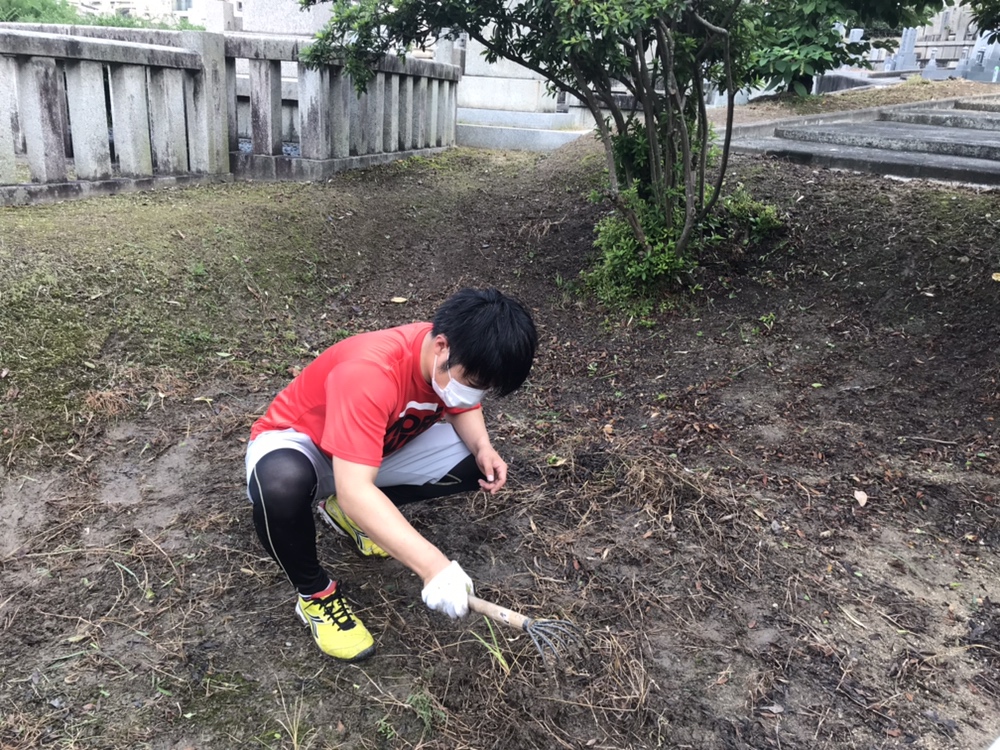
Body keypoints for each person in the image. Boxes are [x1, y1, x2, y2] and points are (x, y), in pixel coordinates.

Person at [244, 287, 538, 662]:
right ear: (442, 347)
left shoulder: (445, 354)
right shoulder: (369, 373)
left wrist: (483, 448)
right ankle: (315, 595)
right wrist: (434, 567)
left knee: (471, 463)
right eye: (474, 384)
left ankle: (345, 514)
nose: (474, 396)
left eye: (485, 390)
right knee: (281, 488)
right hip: (304, 450)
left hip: (370, 452)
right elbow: (354, 488)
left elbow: (460, 404)